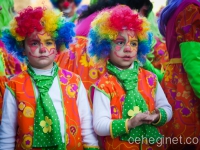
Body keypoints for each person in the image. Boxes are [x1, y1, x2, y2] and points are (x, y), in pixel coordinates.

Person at [0, 6, 99, 150]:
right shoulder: (14, 85)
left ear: (58, 44)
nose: (43, 49)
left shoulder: (74, 82)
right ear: (22, 47)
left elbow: (86, 127)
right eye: (34, 43)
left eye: (48, 42)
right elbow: (7, 134)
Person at [89, 5, 172, 150]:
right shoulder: (103, 85)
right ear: (106, 46)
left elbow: (167, 108)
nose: (128, 48)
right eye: (120, 42)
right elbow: (99, 125)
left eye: (133, 43)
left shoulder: (150, 78)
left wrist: (157, 116)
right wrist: (129, 123)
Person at [158, 0, 200, 149]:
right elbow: (192, 60)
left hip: (175, 81)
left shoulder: (178, 7)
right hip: (187, 87)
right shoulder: (191, 9)